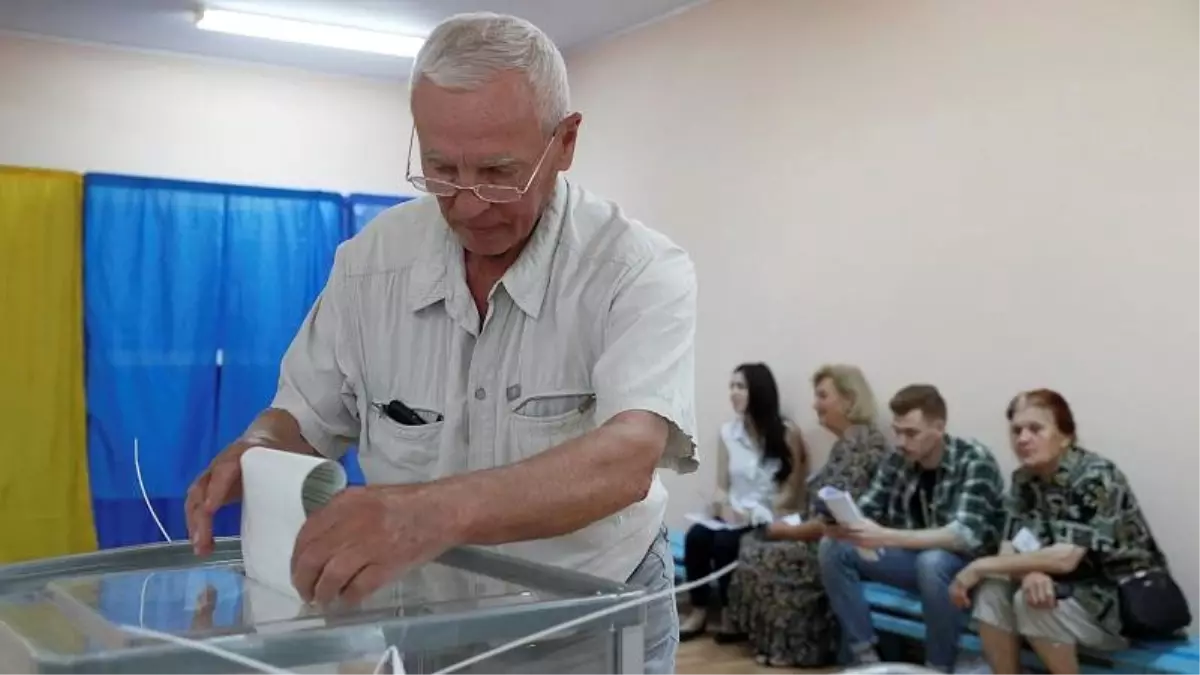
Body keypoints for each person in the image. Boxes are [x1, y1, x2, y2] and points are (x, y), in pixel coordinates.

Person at [184, 12, 697, 675]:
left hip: (589, 617)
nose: (468, 203)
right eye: (440, 168)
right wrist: (255, 447)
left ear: (565, 142)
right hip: (430, 617)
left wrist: (428, 514)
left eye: (498, 171)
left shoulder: (637, 269)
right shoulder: (371, 266)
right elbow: (304, 416)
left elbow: (626, 458)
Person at [950, 389, 1175, 675]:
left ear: (1065, 436)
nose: (1023, 439)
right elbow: (1011, 549)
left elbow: (1065, 557)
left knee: (1033, 602)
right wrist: (1027, 573)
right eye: (1016, 430)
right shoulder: (1024, 480)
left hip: (1123, 602)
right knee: (994, 589)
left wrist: (981, 565)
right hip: (1064, 591)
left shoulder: (1096, 477)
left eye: (1036, 429)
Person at [818, 384, 1004, 673]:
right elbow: (868, 507)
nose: (902, 441)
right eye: (898, 431)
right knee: (833, 548)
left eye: (911, 433)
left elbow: (963, 535)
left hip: (965, 567)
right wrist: (842, 523)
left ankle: (937, 666)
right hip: (910, 560)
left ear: (939, 428)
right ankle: (865, 655)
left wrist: (886, 536)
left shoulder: (974, 459)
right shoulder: (898, 460)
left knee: (933, 561)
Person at [725, 364, 890, 668]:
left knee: (765, 553)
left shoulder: (864, 449)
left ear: (849, 400)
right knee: (752, 544)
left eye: (822, 396)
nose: (815, 404)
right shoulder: (845, 446)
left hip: (843, 544)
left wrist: (783, 531)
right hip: (823, 536)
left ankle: (801, 648)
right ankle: (777, 643)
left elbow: (838, 520)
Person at [680, 363, 806, 641]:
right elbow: (722, 486)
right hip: (734, 514)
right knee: (697, 537)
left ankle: (731, 614)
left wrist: (759, 512)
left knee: (725, 544)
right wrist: (721, 506)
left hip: (769, 515)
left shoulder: (787, 433)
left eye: (741, 387)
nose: (733, 393)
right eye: (732, 387)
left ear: (758, 391)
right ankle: (698, 611)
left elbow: (791, 491)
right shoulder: (728, 433)